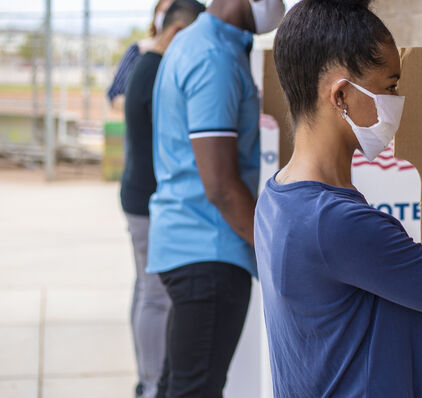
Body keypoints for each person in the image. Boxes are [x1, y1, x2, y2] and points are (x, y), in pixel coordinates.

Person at [254, 0, 422, 397]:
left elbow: (346, 341)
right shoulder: (338, 224)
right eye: (390, 86)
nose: (397, 99)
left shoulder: (278, 198)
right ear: (342, 95)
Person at [147, 0, 285, 397]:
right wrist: (277, 251)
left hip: (190, 244)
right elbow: (222, 187)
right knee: (195, 389)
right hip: (208, 249)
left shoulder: (195, 43)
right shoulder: (214, 59)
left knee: (178, 385)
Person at [121, 1, 205, 397]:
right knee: (155, 297)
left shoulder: (145, 64)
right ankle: (152, 384)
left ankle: (147, 378)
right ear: (175, 33)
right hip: (147, 200)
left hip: (139, 194)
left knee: (145, 291)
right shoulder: (156, 71)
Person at [107, 0, 173, 110]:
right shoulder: (138, 50)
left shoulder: (182, 54)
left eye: (171, 11)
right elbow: (114, 94)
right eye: (164, 11)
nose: (167, 17)